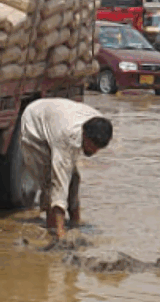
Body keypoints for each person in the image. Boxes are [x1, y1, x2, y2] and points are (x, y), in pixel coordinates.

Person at [19, 98, 114, 240]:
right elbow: (59, 184)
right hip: (34, 125)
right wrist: (62, 235)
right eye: (93, 147)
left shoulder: (99, 124)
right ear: (84, 136)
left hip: (56, 119)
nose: (94, 152)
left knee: (74, 178)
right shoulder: (66, 137)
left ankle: (75, 223)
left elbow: (71, 178)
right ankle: (54, 231)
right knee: (50, 182)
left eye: (98, 149)